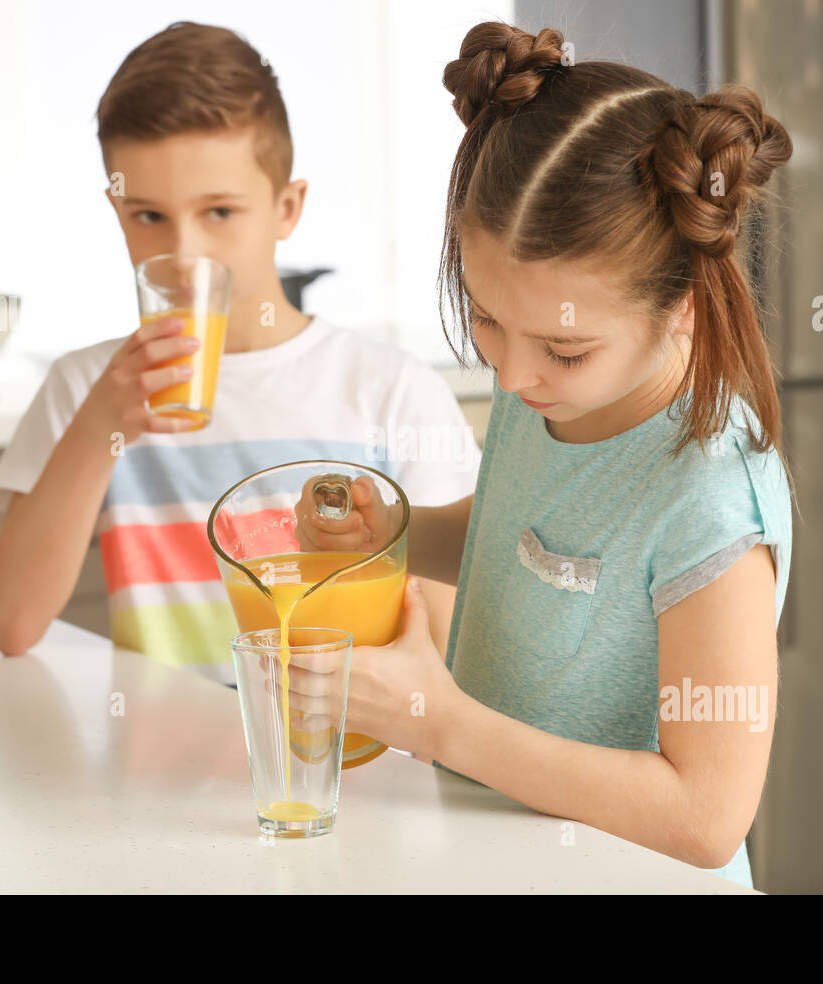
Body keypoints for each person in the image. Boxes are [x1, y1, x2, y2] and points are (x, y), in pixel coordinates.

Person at [294, 22, 795, 889]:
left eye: (564, 349)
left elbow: (706, 818)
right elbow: (527, 541)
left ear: (682, 304)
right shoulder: (551, 386)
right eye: (487, 316)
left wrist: (436, 722)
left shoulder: (714, 501)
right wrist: (401, 536)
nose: (513, 371)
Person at [0, 22, 480, 685]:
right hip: (158, 777)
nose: (183, 255)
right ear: (116, 209)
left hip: (344, 771)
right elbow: (11, 623)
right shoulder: (87, 388)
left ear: (286, 208)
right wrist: (101, 427)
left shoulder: (391, 391)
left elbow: (450, 650)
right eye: (148, 216)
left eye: (219, 212)